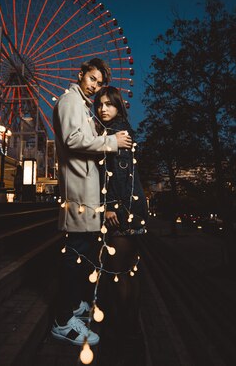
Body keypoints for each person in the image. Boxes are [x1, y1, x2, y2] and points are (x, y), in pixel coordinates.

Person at [50, 58, 133, 346]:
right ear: (81, 74)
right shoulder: (70, 102)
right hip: (79, 193)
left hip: (86, 192)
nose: (94, 85)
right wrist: (111, 142)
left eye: (99, 82)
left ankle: (72, 306)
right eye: (92, 78)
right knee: (74, 257)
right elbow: (74, 140)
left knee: (80, 254)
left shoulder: (82, 105)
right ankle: (62, 321)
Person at [94, 86, 148, 361]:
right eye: (100, 104)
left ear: (118, 107)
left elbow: (121, 175)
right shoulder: (118, 130)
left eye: (109, 104)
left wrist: (112, 205)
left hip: (123, 210)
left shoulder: (118, 133)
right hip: (133, 208)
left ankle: (125, 330)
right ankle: (131, 327)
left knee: (118, 274)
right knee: (128, 271)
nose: (104, 109)